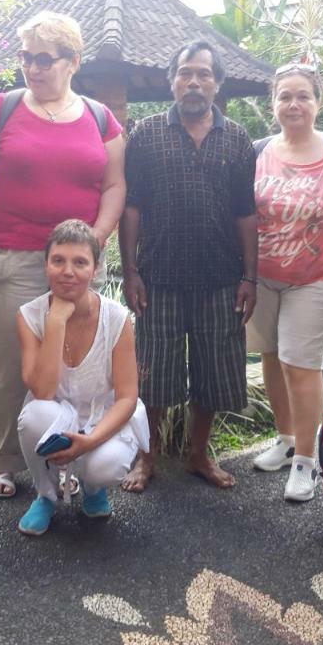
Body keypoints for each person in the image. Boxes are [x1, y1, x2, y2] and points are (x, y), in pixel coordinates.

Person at [0, 11, 125, 500]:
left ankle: (79, 455)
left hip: (79, 263)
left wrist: (97, 238)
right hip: (17, 255)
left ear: (73, 62)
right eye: (26, 57)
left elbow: (115, 185)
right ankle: (4, 458)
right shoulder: (1, 109)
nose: (33, 68)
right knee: (7, 364)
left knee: (81, 362)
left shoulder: (100, 118)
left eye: (44, 59)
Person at [119, 40, 258, 492]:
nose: (194, 81)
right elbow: (132, 208)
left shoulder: (237, 139)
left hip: (220, 278)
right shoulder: (145, 136)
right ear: (172, 81)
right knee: (153, 372)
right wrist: (131, 270)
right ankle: (147, 457)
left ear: (217, 83)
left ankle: (199, 455)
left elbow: (245, 212)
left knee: (215, 371)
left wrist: (249, 277)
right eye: (185, 73)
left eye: (203, 73)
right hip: (157, 276)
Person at [248, 63, 323, 501]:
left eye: (303, 96)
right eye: (285, 96)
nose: (294, 104)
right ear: (274, 103)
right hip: (262, 278)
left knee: (301, 365)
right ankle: (285, 440)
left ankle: (307, 461)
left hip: (317, 278)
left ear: (318, 102)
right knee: (271, 357)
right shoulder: (259, 149)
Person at [14, 220, 147, 535]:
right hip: (56, 414)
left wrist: (89, 442)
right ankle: (46, 495)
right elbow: (43, 391)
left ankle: (92, 487)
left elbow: (128, 396)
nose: (68, 271)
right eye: (58, 260)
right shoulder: (29, 315)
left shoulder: (116, 318)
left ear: (96, 268)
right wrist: (57, 321)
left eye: (80, 262)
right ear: (46, 264)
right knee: (34, 415)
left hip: (102, 415)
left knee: (105, 467)